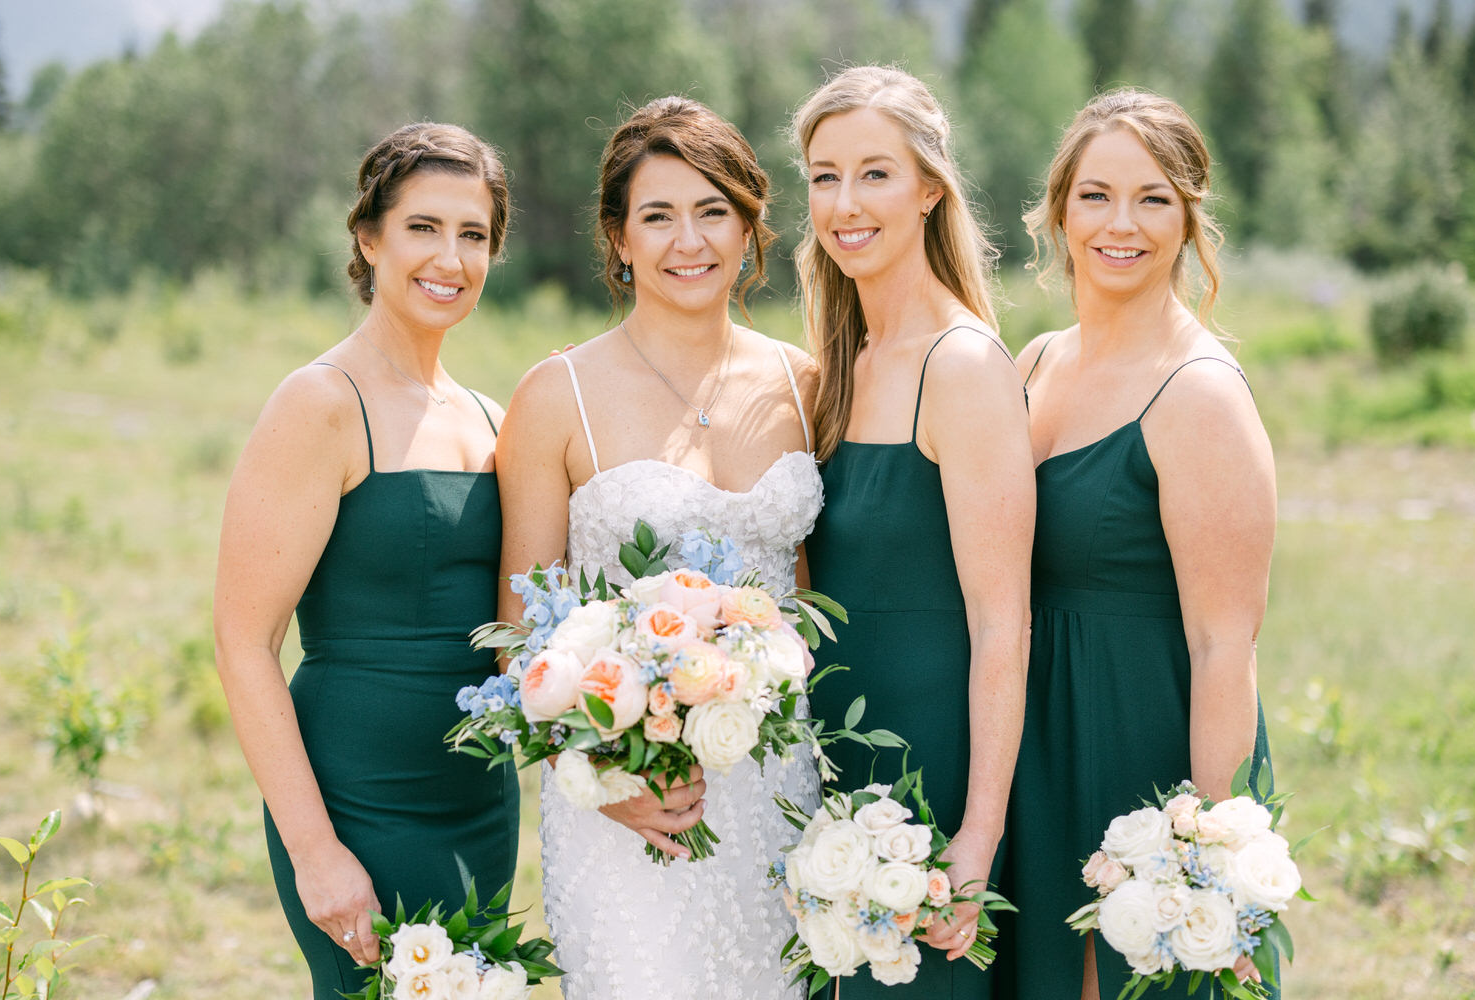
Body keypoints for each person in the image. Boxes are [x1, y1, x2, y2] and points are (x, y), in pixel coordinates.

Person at [495, 96, 822, 999]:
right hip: (631, 803)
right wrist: (605, 776)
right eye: (659, 215)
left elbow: (808, 599)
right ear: (619, 238)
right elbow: (521, 635)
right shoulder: (556, 398)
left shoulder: (804, 384)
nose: (691, 241)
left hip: (780, 791)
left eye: (714, 210)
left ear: (750, 226)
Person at [213, 123, 519, 999]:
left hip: (479, 805)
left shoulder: (494, 418)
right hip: (358, 802)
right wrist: (317, 853)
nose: (449, 258)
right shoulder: (320, 403)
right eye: (423, 227)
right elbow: (244, 642)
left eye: (474, 234)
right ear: (369, 236)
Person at [994, 88, 1278, 999]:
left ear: (1191, 219)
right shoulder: (1035, 360)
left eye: (1154, 198)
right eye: (1096, 196)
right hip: (1031, 739)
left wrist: (1203, 852)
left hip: (1140, 745)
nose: (1123, 223)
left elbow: (1225, 642)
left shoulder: (1199, 394)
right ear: (1057, 211)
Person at [795, 65, 1035, 996]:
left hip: (931, 773)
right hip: (831, 766)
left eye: (875, 174)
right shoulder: (840, 361)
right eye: (824, 175)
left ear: (931, 188)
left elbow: (1000, 622)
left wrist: (976, 834)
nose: (845, 203)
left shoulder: (963, 365)